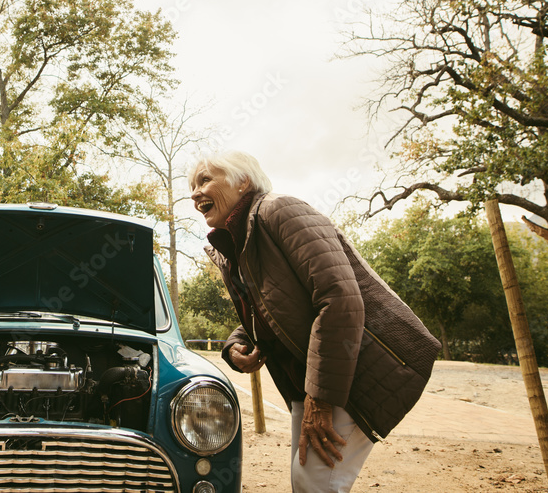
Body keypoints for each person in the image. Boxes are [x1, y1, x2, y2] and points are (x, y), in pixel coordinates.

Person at [189, 150, 440, 493]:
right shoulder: (236, 241)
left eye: (204, 180)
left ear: (242, 181)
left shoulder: (278, 209)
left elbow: (339, 299)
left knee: (316, 483)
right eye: (191, 186)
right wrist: (235, 344)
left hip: (358, 369)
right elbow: (270, 305)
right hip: (308, 381)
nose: (194, 193)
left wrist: (321, 399)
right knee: (306, 480)